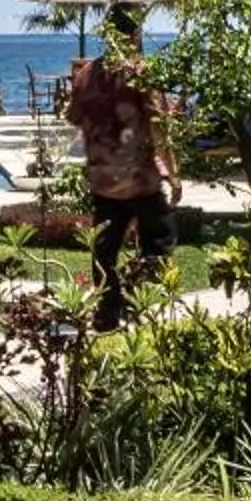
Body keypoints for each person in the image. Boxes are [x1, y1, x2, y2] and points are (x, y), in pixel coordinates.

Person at [65, 43, 178, 329]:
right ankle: (138, 306)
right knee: (159, 242)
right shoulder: (140, 73)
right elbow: (158, 125)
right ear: (135, 33)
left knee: (105, 251)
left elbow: (73, 116)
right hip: (140, 179)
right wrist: (173, 174)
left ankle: (106, 315)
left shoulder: (87, 74)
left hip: (103, 178)